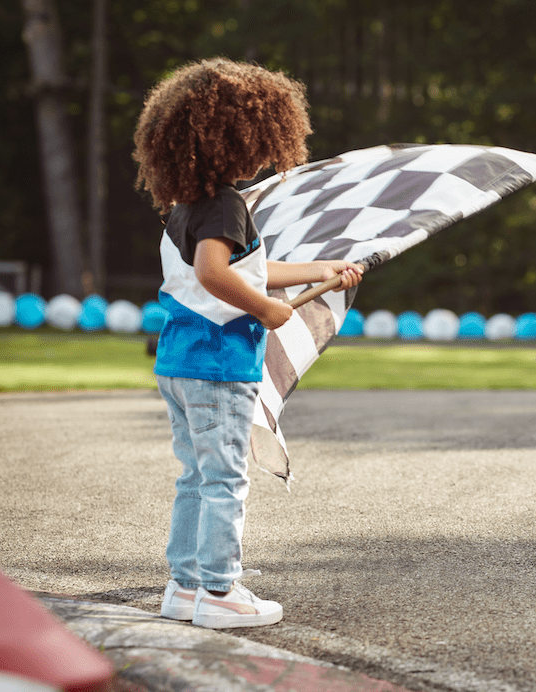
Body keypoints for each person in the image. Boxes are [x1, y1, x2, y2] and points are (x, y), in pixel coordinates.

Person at [133, 58, 363, 629]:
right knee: (224, 479)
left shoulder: (188, 205)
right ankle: (219, 591)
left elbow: (250, 267)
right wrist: (264, 310)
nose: (266, 152)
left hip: (182, 362)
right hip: (218, 364)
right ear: (239, 138)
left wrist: (322, 268)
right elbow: (217, 274)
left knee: (197, 477)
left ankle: (185, 586)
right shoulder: (225, 204)